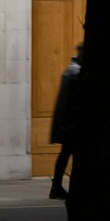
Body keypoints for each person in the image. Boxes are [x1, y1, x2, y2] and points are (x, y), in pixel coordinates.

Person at [48, 43, 83, 200]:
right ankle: (60, 187)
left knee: (66, 154)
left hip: (69, 123)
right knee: (72, 155)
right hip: (73, 124)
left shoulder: (72, 70)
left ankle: (57, 186)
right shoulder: (77, 72)